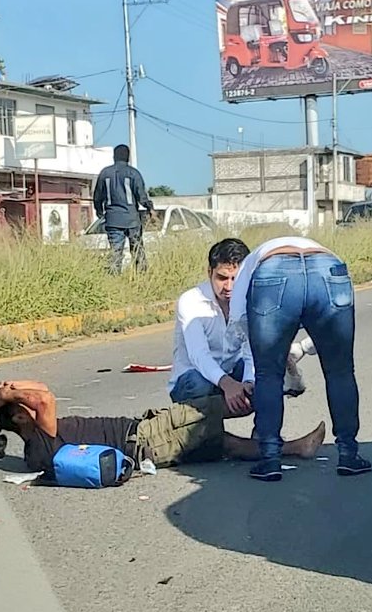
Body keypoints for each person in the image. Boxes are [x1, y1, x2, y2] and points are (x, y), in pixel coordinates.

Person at [228, 236, 370, 483]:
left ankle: (270, 459)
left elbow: (239, 318)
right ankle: (349, 455)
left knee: (268, 375)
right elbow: (326, 333)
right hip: (328, 267)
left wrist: (265, 355)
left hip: (274, 272)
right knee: (341, 371)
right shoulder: (315, 247)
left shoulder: (251, 264)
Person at [0, 380, 326, 478]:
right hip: (147, 438)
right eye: (23, 406)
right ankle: (279, 389)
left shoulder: (36, 443)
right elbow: (44, 397)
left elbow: (41, 389)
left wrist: (10, 387)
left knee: (225, 444)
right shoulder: (42, 442)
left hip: (146, 439)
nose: (31, 404)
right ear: (20, 419)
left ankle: (295, 447)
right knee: (216, 405)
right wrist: (10, 395)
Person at [169, 238, 310, 415]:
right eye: (222, 278)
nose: (228, 286)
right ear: (209, 272)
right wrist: (228, 384)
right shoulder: (191, 301)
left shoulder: (251, 300)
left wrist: (249, 382)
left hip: (232, 372)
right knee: (200, 384)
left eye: (235, 279)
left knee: (267, 376)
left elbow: (251, 349)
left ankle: (266, 432)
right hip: (192, 380)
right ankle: (201, 427)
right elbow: (199, 355)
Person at [92, 144, 154, 274]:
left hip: (112, 219)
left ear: (114, 157)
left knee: (115, 253)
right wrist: (150, 208)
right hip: (132, 219)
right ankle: (141, 277)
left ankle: (113, 279)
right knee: (137, 251)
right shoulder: (133, 173)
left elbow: (97, 196)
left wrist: (99, 211)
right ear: (128, 157)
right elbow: (141, 196)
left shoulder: (105, 173)